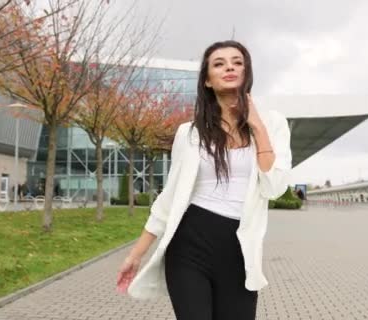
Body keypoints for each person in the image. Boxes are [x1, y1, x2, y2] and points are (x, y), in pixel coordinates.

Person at [115, 40, 292, 320]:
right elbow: (169, 198)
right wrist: (135, 255)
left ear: (247, 72)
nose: (229, 67)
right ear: (207, 80)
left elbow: (274, 187)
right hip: (189, 244)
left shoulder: (272, 123)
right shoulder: (189, 133)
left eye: (237, 62)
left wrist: (257, 127)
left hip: (239, 250)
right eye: (219, 63)